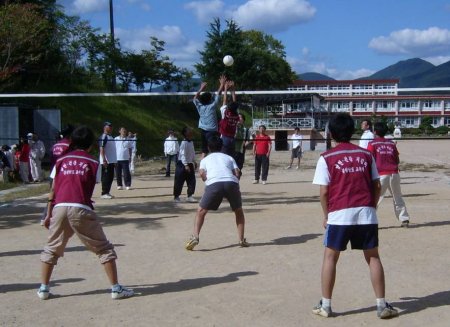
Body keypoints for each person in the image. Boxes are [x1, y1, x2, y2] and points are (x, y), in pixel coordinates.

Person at [312, 113, 398, 319]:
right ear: (353, 131)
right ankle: (381, 305)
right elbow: (376, 185)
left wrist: (327, 214)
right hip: (366, 212)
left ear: (331, 134)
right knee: (373, 256)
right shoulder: (366, 155)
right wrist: (372, 207)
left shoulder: (326, 157)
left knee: (330, 257)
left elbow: (324, 192)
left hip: (339, 214)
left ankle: (326, 305)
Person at [37, 126, 133, 300]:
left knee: (52, 248)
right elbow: (89, 184)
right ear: (90, 145)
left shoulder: (61, 160)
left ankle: (43, 288)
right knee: (104, 248)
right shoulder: (93, 162)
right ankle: (116, 288)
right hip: (80, 207)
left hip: (59, 207)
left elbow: (53, 189)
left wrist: (48, 213)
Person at [185, 136, 249, 250]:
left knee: (201, 211)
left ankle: (195, 236)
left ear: (209, 147)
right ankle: (241, 239)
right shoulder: (229, 157)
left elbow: (201, 174)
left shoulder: (205, 160)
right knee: (238, 210)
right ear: (221, 147)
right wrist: (234, 182)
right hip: (231, 182)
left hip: (214, 183)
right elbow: (237, 172)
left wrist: (207, 180)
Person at [367, 122, 410, 227]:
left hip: (381, 174)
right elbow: (397, 159)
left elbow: (369, 160)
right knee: (397, 197)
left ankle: (369, 221)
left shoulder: (372, 144)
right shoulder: (391, 143)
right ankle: (404, 219)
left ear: (375, 132)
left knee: (375, 198)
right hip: (394, 173)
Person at [193, 75, 226, 158]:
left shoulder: (200, 106)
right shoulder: (212, 106)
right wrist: (221, 84)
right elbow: (218, 94)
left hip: (203, 130)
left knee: (204, 150)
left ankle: (202, 167)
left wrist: (201, 89)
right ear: (210, 100)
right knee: (214, 150)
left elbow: (195, 98)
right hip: (212, 131)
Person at [173, 127, 197, 203]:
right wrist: (185, 165)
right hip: (182, 164)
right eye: (189, 132)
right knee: (179, 180)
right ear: (185, 134)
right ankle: (176, 196)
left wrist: (194, 161)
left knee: (191, 180)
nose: (191, 133)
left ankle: (190, 196)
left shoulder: (191, 142)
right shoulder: (184, 143)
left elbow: (192, 152)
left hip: (189, 163)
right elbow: (182, 154)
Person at [219, 80, 240, 156]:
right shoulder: (236, 115)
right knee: (231, 157)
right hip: (232, 138)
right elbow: (235, 102)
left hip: (224, 137)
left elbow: (224, 100)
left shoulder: (225, 113)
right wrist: (233, 89)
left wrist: (225, 89)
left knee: (223, 156)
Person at [99, 122, 117, 199]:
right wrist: (104, 160)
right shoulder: (104, 136)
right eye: (109, 127)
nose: (110, 128)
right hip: (106, 161)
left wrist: (115, 160)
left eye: (111, 126)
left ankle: (107, 192)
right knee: (106, 177)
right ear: (104, 128)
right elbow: (101, 148)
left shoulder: (111, 137)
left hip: (111, 161)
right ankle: (104, 193)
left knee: (110, 177)